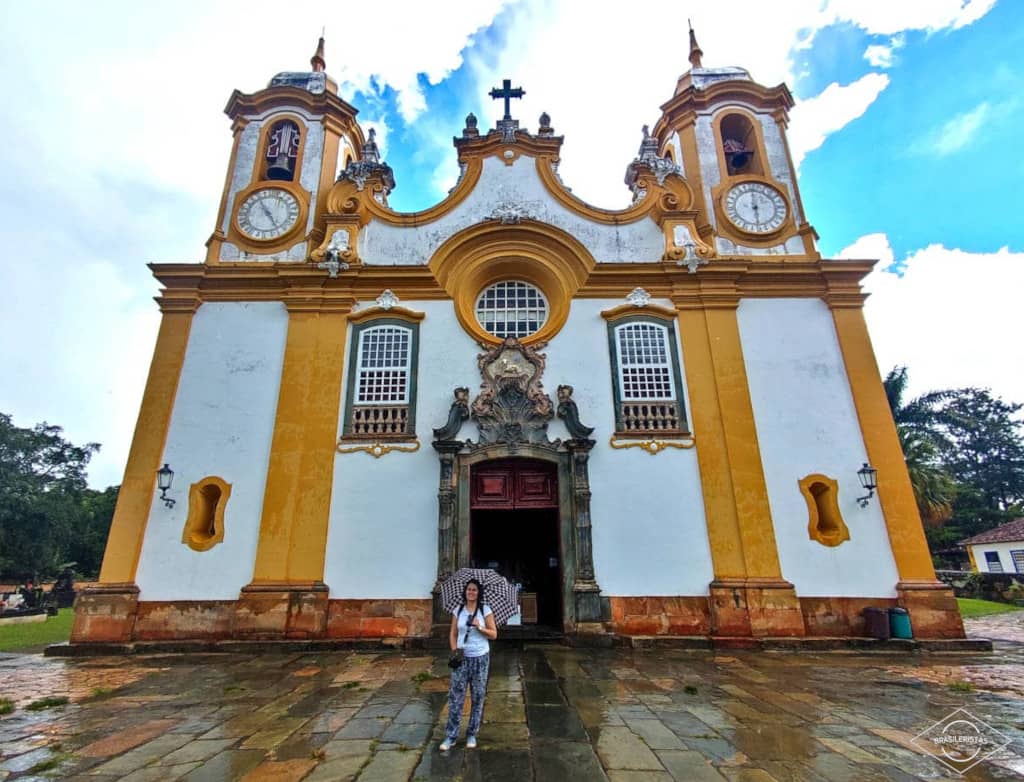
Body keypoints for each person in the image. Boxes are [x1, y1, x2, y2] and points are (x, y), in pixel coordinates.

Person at [440, 578, 497, 751]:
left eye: (474, 590)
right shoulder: (458, 610)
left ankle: (472, 733)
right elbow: (453, 633)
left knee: (478, 697)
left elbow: (494, 634)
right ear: (465, 592)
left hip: (480, 658)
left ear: (479, 593)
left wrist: (480, 627)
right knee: (456, 697)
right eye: (468, 589)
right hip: (462, 659)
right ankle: (451, 736)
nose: (471, 592)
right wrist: (454, 650)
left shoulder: (485, 610)